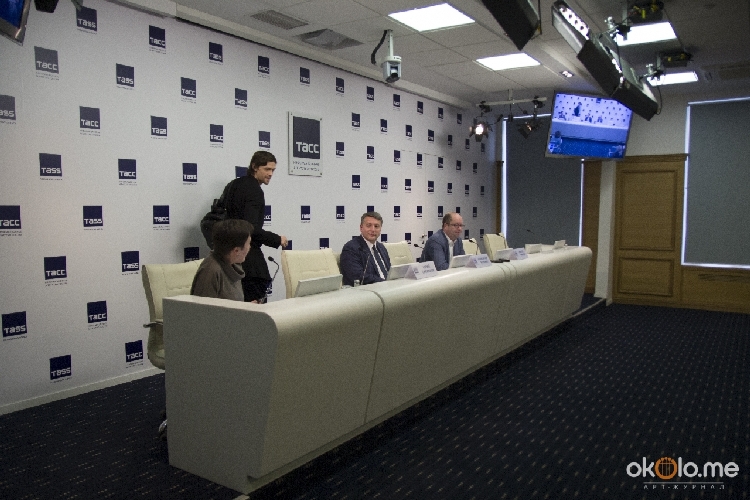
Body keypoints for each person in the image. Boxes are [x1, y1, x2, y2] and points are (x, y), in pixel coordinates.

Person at [226, 151, 289, 302]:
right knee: (256, 311)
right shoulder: (254, 190)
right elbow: (250, 228)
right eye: (267, 169)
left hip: (229, 259)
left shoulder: (233, 184)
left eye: (273, 170)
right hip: (249, 263)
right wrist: (277, 239)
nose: (270, 174)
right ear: (254, 167)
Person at [191, 219, 253, 301]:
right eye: (248, 243)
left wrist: (247, 306)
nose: (249, 247)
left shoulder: (233, 264)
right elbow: (202, 308)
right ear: (236, 251)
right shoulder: (210, 271)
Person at [340, 212, 391, 286]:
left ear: (380, 229)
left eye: (376, 226)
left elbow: (389, 272)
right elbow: (358, 276)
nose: (373, 229)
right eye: (369, 225)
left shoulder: (381, 247)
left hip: (389, 288)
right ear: (361, 228)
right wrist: (385, 283)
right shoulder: (351, 248)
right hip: (368, 290)